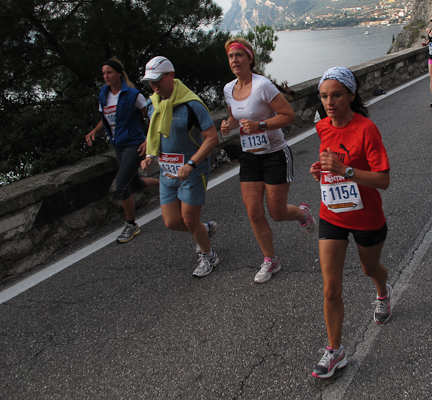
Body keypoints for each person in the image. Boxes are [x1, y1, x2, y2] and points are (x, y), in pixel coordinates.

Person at [309, 67, 391, 379]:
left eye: (336, 95)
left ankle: (383, 292)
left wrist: (345, 171)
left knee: (370, 269)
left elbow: (383, 180)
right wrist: (321, 170)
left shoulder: (366, 129)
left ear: (351, 95)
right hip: (332, 214)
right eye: (324, 96)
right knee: (330, 289)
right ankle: (335, 351)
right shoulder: (322, 127)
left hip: (366, 217)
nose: (329, 102)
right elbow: (329, 164)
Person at [220, 37, 315, 284]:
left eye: (239, 55)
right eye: (231, 57)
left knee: (277, 212)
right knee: (254, 212)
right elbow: (235, 117)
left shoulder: (263, 85)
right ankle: (271, 260)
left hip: (275, 154)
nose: (234, 60)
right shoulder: (229, 89)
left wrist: (260, 125)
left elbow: (288, 115)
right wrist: (227, 125)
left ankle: (302, 214)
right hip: (249, 157)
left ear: (249, 58)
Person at [140, 57, 220, 277]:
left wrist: (191, 163)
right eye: (150, 81)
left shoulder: (192, 105)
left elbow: (212, 138)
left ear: (171, 76)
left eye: (158, 79)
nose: (154, 85)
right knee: (172, 221)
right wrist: (149, 155)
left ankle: (209, 256)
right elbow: (154, 132)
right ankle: (204, 229)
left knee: (189, 218)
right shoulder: (152, 104)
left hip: (192, 171)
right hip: (167, 172)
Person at [85, 58, 159, 243]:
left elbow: (151, 115)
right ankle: (167, 184)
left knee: (121, 186)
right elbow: (106, 118)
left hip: (134, 143)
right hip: (118, 145)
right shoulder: (103, 96)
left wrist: (148, 140)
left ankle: (131, 225)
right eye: (103, 73)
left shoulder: (133, 95)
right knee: (135, 185)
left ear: (119, 73)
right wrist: (94, 131)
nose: (106, 76)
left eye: (109, 72)